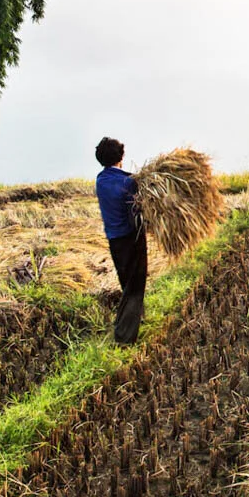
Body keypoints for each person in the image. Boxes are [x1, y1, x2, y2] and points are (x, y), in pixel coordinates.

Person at [96, 136, 148, 345]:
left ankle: (136, 319)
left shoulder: (101, 181)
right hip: (131, 239)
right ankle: (124, 337)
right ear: (121, 156)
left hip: (114, 241)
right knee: (135, 286)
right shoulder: (128, 182)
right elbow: (135, 212)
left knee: (126, 282)